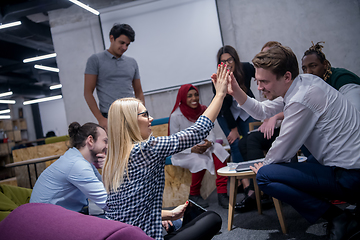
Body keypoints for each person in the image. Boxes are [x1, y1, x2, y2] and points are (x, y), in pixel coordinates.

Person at [223, 44, 360, 240]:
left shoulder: (301, 98)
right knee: (290, 167)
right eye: (257, 81)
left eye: (264, 82)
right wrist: (235, 90)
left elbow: (281, 153)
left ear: (286, 76)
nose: (259, 88)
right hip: (347, 168)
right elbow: (262, 111)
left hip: (351, 176)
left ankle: (339, 218)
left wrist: (262, 167)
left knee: (265, 176)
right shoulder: (304, 83)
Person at [102, 64, 230, 240]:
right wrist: (221, 94)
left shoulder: (113, 159)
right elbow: (197, 132)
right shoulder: (144, 149)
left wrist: (166, 214)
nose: (151, 119)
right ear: (130, 122)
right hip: (145, 236)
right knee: (212, 219)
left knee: (178, 222)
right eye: (144, 114)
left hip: (121, 234)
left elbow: (128, 211)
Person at [169, 84, 230, 209]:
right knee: (199, 160)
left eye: (196, 95)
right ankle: (194, 194)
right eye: (189, 96)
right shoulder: (176, 116)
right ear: (183, 98)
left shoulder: (203, 110)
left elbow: (211, 133)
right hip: (183, 152)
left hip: (203, 147)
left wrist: (209, 142)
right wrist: (191, 149)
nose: (194, 98)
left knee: (219, 149)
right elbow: (173, 141)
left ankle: (222, 192)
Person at [30, 122, 108, 215]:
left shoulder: (79, 159)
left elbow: (105, 188)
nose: (107, 146)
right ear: (90, 140)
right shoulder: (77, 165)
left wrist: (107, 168)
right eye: (105, 141)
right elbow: (108, 203)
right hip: (47, 221)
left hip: (53, 216)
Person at [84, 23, 145, 130]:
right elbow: (87, 93)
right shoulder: (95, 60)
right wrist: (100, 119)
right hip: (110, 117)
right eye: (121, 43)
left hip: (132, 115)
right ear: (111, 38)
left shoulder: (132, 62)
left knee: (138, 146)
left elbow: (139, 92)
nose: (124, 47)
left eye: (127, 44)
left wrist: (141, 115)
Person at [213, 45, 259, 163]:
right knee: (235, 143)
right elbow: (224, 109)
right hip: (226, 114)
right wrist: (233, 129)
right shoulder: (217, 80)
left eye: (230, 60)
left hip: (244, 109)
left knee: (252, 139)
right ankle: (243, 180)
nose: (227, 64)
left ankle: (256, 173)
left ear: (235, 59)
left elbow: (260, 75)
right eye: (223, 61)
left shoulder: (246, 68)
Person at [302, 41, 360, 111]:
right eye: (304, 69)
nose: (308, 72)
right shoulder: (313, 86)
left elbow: (356, 110)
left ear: (325, 64)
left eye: (313, 66)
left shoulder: (342, 78)